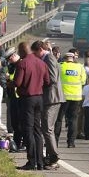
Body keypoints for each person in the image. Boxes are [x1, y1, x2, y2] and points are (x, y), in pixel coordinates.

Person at [14, 42, 50, 170]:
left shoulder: (22, 63)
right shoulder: (42, 63)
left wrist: (10, 83)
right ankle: (40, 162)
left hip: (27, 98)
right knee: (37, 130)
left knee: (28, 130)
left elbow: (17, 83)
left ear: (22, 51)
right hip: (39, 98)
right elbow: (47, 81)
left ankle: (31, 161)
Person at [33, 40, 65, 169]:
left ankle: (54, 157)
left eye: (36, 53)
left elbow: (52, 78)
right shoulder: (46, 58)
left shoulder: (49, 58)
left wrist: (38, 82)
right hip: (49, 98)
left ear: (41, 49)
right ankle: (51, 156)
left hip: (52, 98)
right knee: (46, 128)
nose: (36, 56)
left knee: (47, 128)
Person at [55, 52, 86, 148]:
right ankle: (71, 142)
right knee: (73, 120)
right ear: (73, 58)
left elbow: (55, 79)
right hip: (76, 97)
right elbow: (83, 81)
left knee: (59, 119)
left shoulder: (60, 66)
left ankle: (55, 141)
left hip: (63, 97)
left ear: (65, 58)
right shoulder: (80, 67)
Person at [4, 47, 24, 152]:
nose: (9, 61)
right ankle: (16, 144)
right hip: (13, 96)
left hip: (19, 97)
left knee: (20, 123)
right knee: (15, 123)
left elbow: (17, 81)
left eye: (9, 59)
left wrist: (8, 81)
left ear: (13, 56)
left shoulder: (21, 64)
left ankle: (21, 143)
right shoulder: (12, 66)